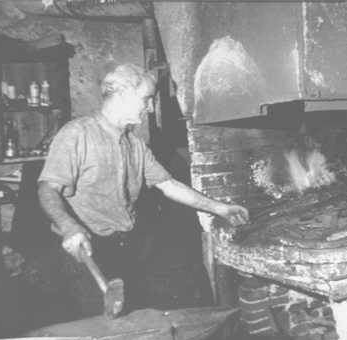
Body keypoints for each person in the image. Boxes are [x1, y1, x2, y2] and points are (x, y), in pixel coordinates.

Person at [37, 63, 249, 317]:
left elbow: (168, 185)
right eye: (147, 98)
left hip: (130, 239)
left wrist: (221, 208)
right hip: (90, 244)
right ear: (124, 93)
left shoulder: (134, 143)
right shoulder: (77, 134)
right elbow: (47, 189)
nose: (150, 107)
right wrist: (68, 226)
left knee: (182, 273)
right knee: (106, 319)